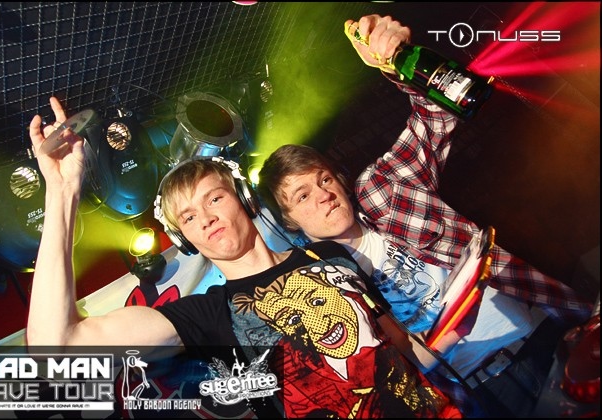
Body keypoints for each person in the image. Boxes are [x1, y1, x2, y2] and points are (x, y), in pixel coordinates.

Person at [26, 95, 467, 418]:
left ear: (244, 198)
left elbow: (400, 346)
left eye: (214, 199)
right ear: (184, 239)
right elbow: (54, 350)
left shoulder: (330, 255)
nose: (205, 219)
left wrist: (455, 345)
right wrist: (62, 191)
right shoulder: (208, 317)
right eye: (189, 217)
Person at [256, 14, 594, 418]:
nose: (324, 195)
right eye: (303, 195)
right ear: (289, 220)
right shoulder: (323, 284)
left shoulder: (381, 191)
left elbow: (436, 116)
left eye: (325, 179)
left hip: (544, 332)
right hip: (485, 391)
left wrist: (395, 61)